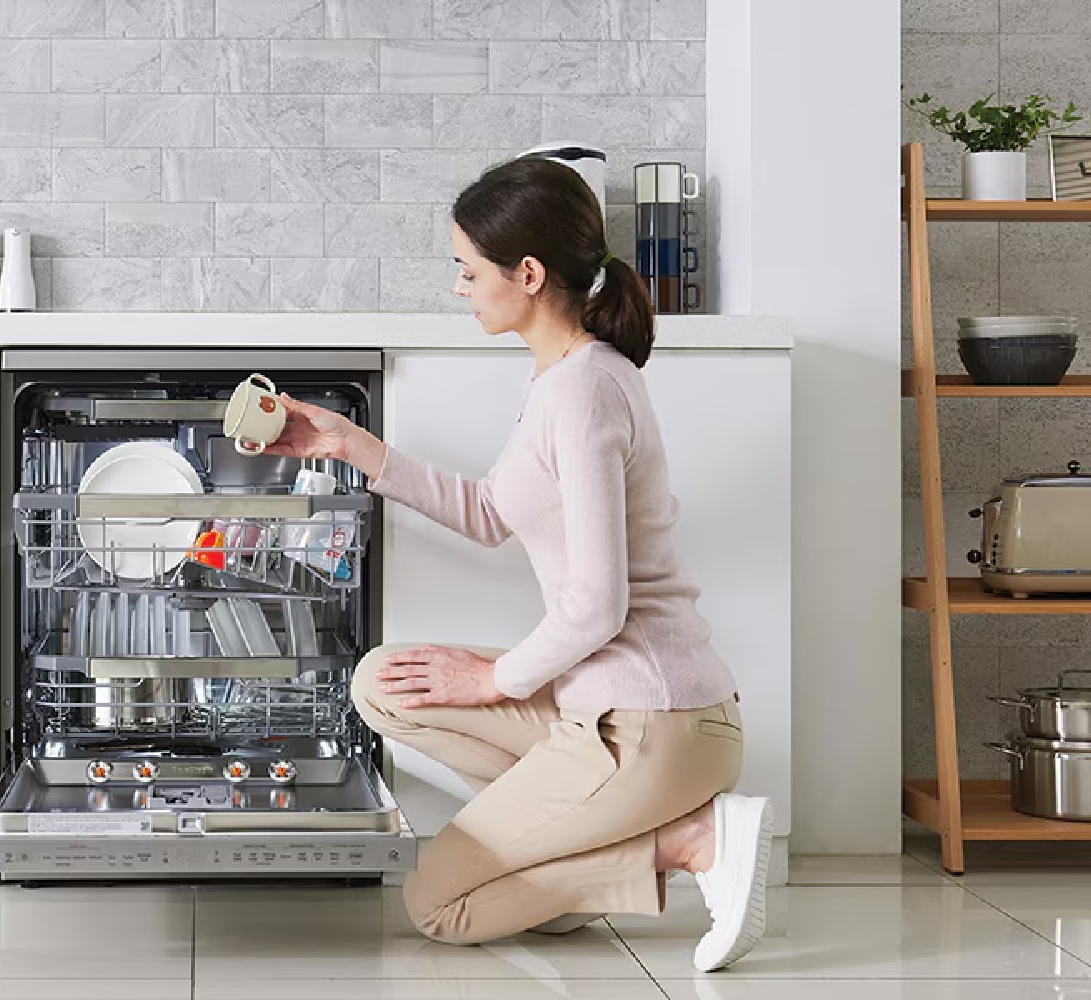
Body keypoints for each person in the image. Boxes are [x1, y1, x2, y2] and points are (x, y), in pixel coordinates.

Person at [265, 156, 773, 972]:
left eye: (468, 270)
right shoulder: (564, 379)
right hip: (605, 707)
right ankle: (565, 853)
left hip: (649, 722)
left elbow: (598, 606)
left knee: (440, 906)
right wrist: (347, 445)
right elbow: (494, 513)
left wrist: (494, 682)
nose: (460, 287)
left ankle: (687, 840)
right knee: (382, 682)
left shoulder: (583, 392)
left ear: (527, 273)